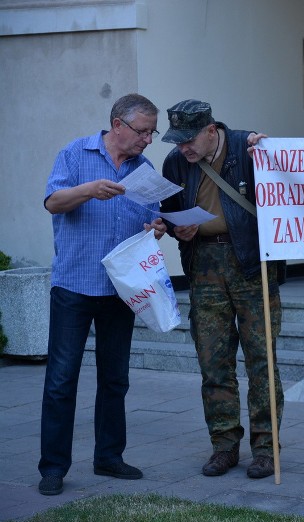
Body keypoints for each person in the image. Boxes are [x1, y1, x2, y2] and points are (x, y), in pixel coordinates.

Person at [39, 94, 167, 496]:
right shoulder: (76, 154)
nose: (148, 140)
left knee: (115, 379)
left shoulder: (143, 169)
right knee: (61, 379)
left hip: (120, 289)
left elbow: (153, 217)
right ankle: (54, 468)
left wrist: (157, 229)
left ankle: (109, 458)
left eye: (152, 132)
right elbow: (52, 202)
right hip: (74, 285)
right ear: (117, 125)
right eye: (142, 131)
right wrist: (89, 190)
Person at [160, 99, 283, 479]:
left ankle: (266, 448)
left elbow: (288, 190)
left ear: (211, 130)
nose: (183, 149)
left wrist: (273, 152)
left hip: (252, 265)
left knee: (262, 361)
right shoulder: (176, 163)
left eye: (189, 140)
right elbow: (168, 211)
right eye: (178, 141)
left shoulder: (251, 149)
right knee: (213, 361)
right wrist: (178, 229)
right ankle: (223, 445)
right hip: (204, 267)